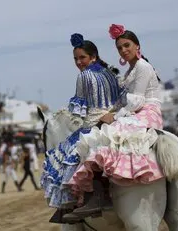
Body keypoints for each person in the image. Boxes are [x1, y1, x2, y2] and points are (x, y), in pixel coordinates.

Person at [64, 24, 165, 221]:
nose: (123, 50)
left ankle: (95, 195)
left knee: (101, 139)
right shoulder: (127, 71)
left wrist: (115, 116)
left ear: (137, 46)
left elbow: (137, 100)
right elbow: (123, 99)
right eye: (120, 48)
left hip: (146, 111)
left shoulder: (142, 67)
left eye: (127, 45)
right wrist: (113, 111)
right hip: (135, 110)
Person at [41, 33, 123, 224]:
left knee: (64, 157)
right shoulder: (110, 72)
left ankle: (77, 202)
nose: (79, 62)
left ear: (93, 56)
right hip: (116, 119)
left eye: (82, 58)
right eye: (75, 59)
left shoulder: (84, 76)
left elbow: (79, 111)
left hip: (94, 122)